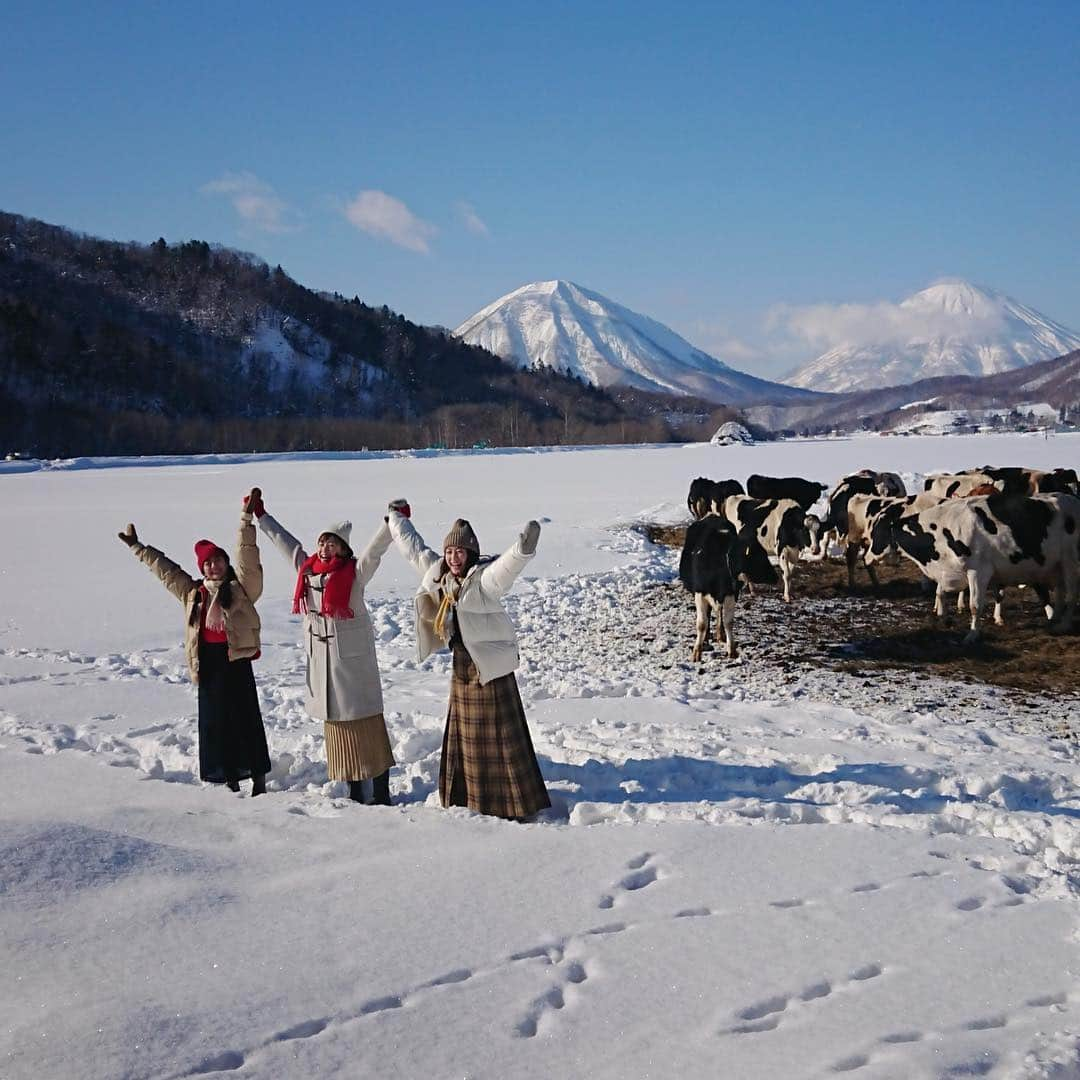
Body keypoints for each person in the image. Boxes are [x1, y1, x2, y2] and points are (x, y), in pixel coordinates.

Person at [386, 501, 550, 820]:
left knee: (499, 738)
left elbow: (506, 569)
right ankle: (467, 795)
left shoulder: (483, 580)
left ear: (471, 554)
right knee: (468, 740)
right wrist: (395, 519)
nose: (453, 557)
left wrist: (523, 549)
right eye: (450, 552)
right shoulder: (441, 577)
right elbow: (414, 550)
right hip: (462, 666)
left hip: (489, 669)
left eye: (460, 552)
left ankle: (509, 802)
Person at [117, 490, 270, 796]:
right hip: (209, 662)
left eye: (217, 561)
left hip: (235, 659)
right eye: (207, 564)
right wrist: (138, 548)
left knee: (245, 719)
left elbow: (248, 557)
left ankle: (258, 777)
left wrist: (245, 519)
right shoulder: (194, 593)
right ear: (202, 569)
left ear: (226, 563)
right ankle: (228, 776)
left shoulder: (241, 589)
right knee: (217, 723)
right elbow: (167, 573)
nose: (213, 567)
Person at [254, 489, 395, 804]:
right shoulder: (308, 571)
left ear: (343, 549)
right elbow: (286, 544)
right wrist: (263, 517)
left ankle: (381, 790)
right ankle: (354, 788)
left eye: (331, 543)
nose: (324, 547)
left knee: (365, 724)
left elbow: (374, 553)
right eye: (322, 542)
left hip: (352, 665)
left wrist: (390, 523)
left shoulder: (353, 575)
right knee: (337, 730)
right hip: (322, 665)